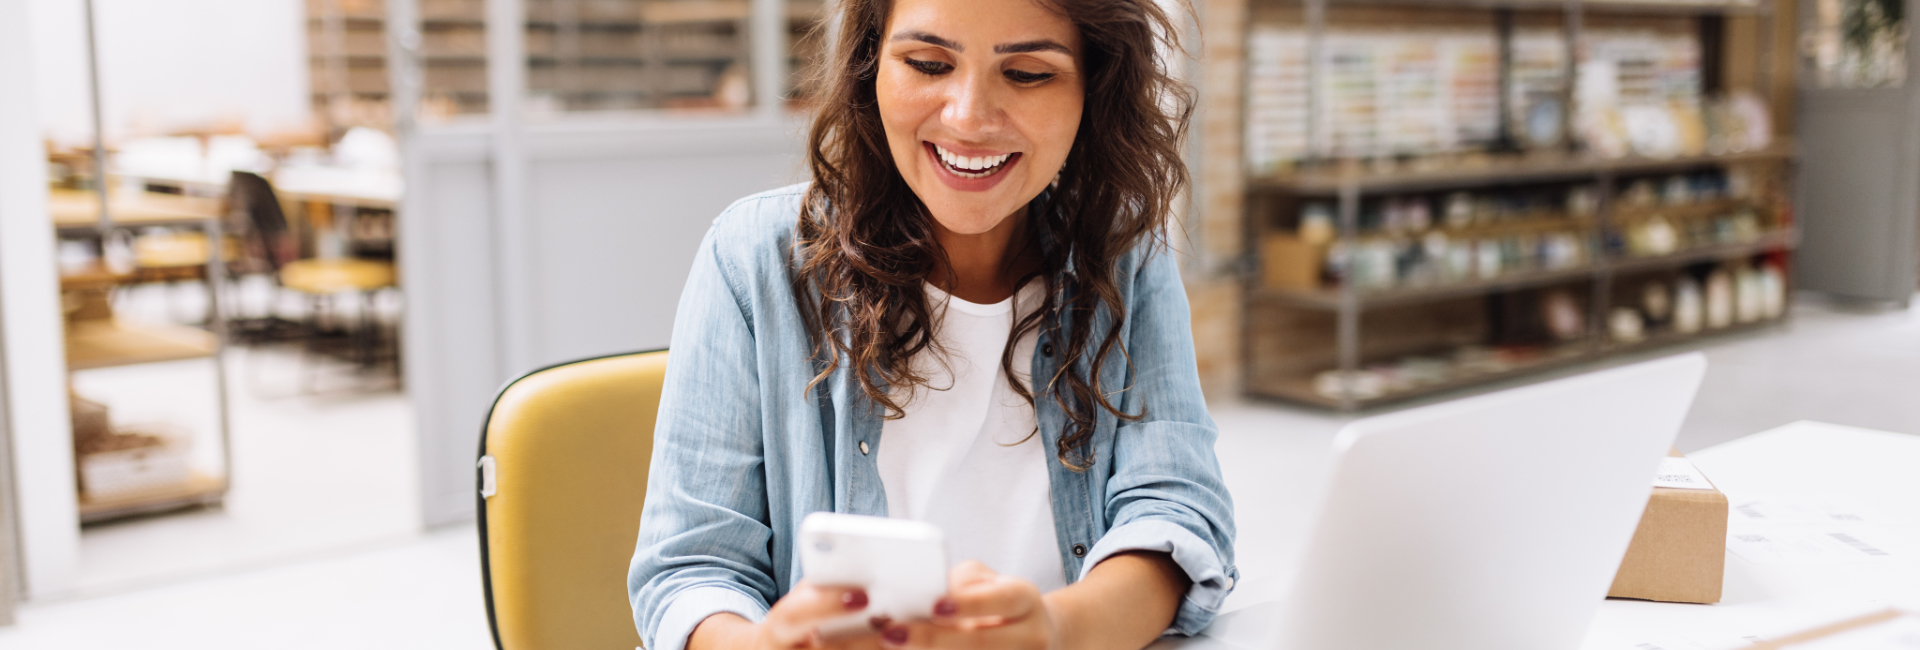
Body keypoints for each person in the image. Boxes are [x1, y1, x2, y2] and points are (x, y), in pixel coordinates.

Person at [627, 0, 1234, 644]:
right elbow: (692, 569)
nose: (969, 118)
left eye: (1027, 74)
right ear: (871, 69)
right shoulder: (754, 258)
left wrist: (1055, 630)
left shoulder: (1124, 254)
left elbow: (1177, 512)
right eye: (927, 63)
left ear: (1095, 85)